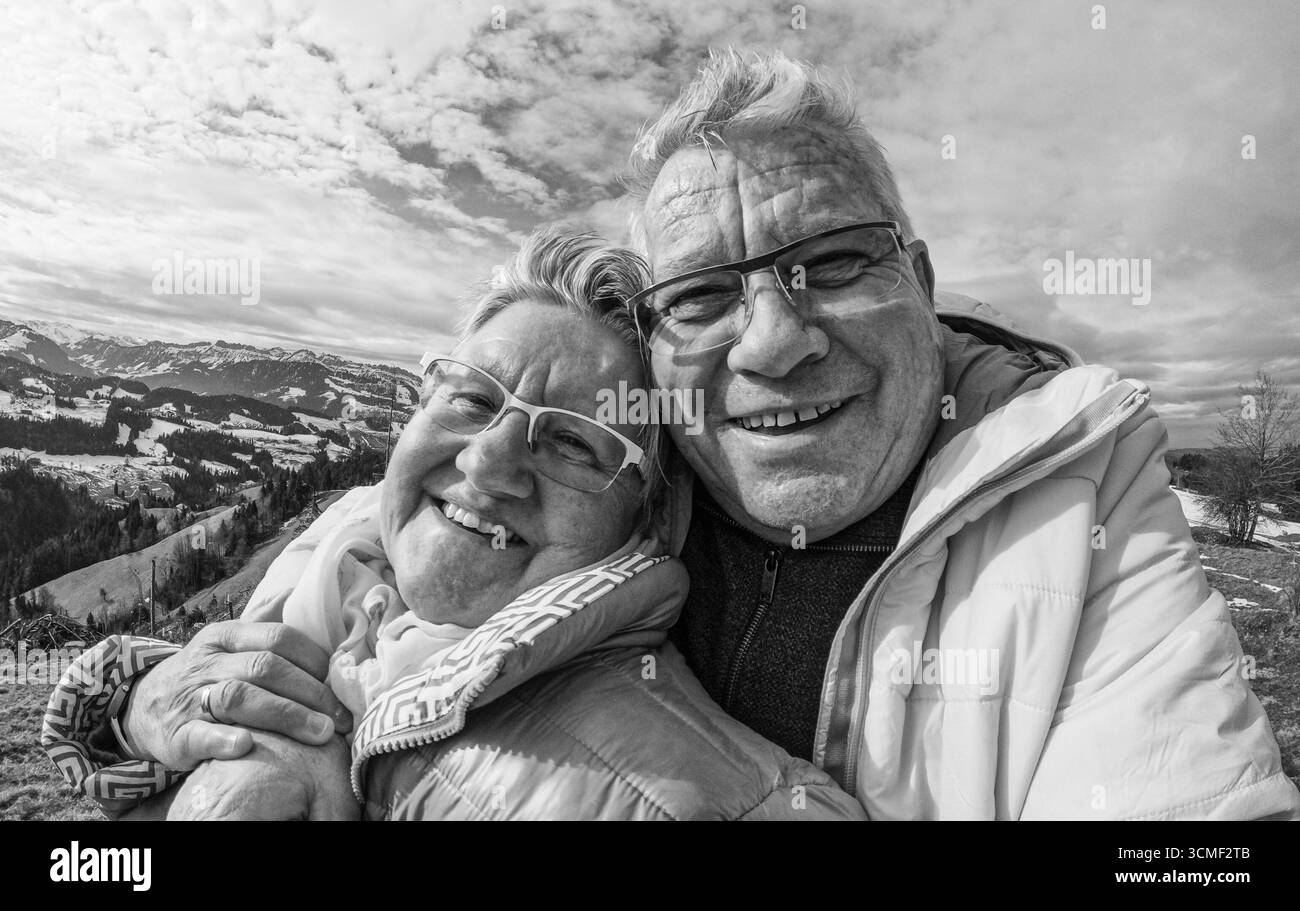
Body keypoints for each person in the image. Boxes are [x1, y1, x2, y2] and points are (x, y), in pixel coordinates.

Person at [616, 49, 1299, 819]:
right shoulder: (597, 490)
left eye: (833, 261)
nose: (773, 342)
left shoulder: (1082, 483)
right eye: (699, 295)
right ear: (648, 344)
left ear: (921, 285)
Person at [42, 227, 865, 821]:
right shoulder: (340, 571)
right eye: (473, 399)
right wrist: (133, 701)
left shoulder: (682, 791)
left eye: (575, 442)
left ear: (646, 519)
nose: (487, 463)